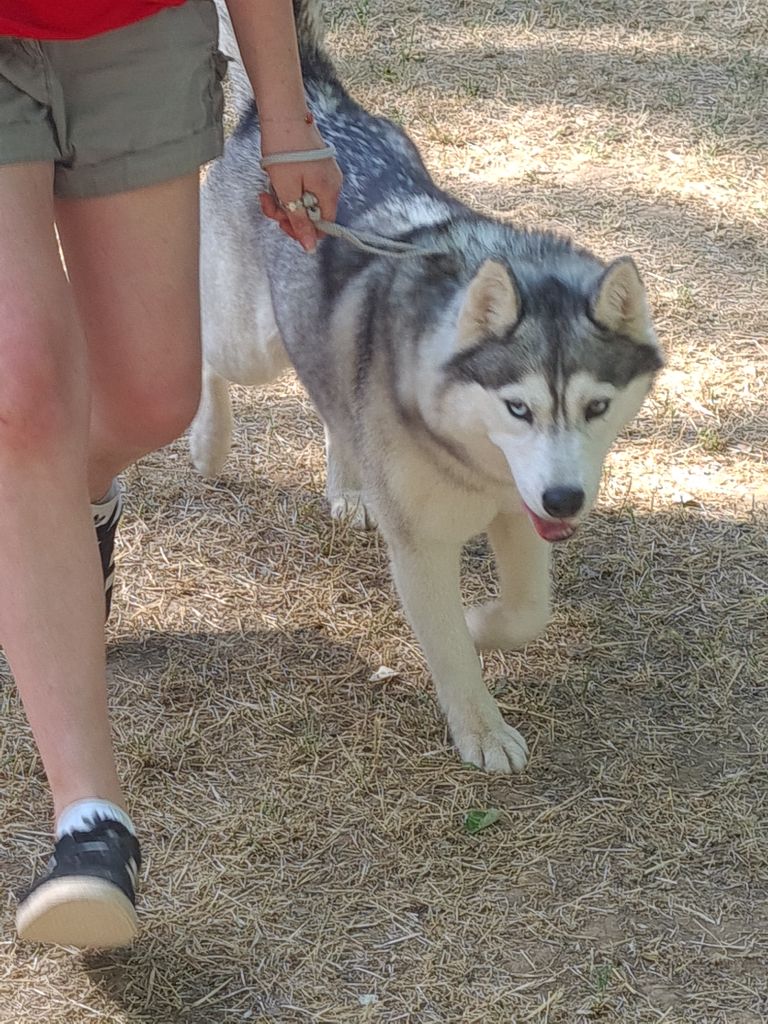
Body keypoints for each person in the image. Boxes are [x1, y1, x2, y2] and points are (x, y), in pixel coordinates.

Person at [0, 0, 342, 948]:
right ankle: (90, 824)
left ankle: (60, 516)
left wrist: (286, 119)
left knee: (155, 399)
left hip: (132, 30)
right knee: (21, 391)